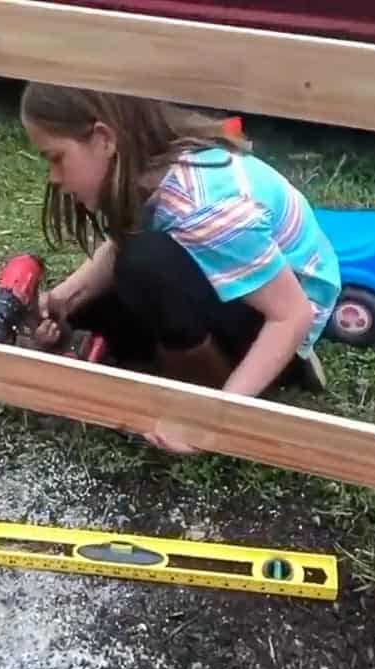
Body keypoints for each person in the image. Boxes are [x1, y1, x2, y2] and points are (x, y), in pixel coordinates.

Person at [19, 82, 341, 455]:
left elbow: (292, 315)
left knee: (145, 264)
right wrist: (62, 300)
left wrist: (211, 421)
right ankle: (175, 360)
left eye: (56, 158)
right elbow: (122, 245)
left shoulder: (204, 208)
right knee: (92, 310)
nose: (54, 178)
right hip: (232, 288)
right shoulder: (141, 173)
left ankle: (212, 387)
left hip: (280, 324)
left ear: (104, 139)